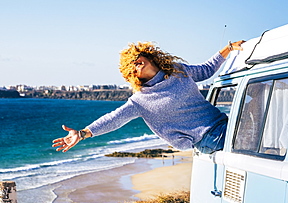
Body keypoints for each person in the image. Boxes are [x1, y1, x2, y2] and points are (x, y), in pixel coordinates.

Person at [52, 40, 245, 154]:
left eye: (137, 59)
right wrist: (83, 133)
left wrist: (228, 48)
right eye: (132, 65)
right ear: (132, 75)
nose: (137, 64)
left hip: (224, 122)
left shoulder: (178, 70)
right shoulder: (140, 100)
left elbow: (206, 70)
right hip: (209, 138)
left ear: (148, 55)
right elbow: (114, 119)